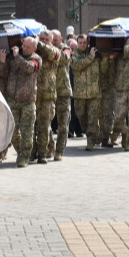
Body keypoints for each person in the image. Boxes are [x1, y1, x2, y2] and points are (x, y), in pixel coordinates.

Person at [0, 37, 41, 167]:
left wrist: (17, 57)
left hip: (28, 101)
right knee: (13, 131)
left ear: (34, 48)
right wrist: (2, 62)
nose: (24, 48)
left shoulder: (36, 59)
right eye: (24, 46)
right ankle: (23, 151)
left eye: (28, 47)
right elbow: (4, 74)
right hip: (12, 99)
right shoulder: (14, 57)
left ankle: (24, 157)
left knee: (27, 131)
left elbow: (29, 68)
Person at [33, 30, 61, 163]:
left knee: (44, 124)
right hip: (34, 93)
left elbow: (50, 53)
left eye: (46, 40)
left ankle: (42, 153)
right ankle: (41, 148)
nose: (43, 42)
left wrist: (37, 43)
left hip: (48, 94)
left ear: (51, 41)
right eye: (41, 39)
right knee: (34, 124)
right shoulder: (34, 52)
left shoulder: (55, 51)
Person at [71, 35, 101, 151]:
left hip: (94, 93)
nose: (83, 45)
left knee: (92, 118)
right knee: (82, 117)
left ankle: (91, 141)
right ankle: (92, 133)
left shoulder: (94, 53)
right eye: (80, 43)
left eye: (85, 43)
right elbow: (77, 66)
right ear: (77, 43)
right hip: (80, 93)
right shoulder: (74, 55)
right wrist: (90, 57)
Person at [51, 30, 73, 160]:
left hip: (63, 91)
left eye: (55, 39)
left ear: (60, 39)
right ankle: (49, 146)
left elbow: (65, 58)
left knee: (63, 123)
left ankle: (60, 150)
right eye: (51, 39)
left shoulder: (66, 49)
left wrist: (51, 51)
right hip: (48, 91)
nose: (53, 42)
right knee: (44, 123)